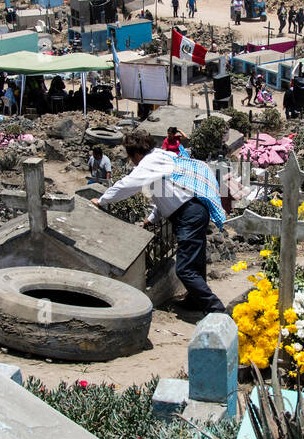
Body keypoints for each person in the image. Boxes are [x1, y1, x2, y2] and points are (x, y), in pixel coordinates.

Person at [94, 130, 226, 315]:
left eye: (131, 156)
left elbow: (128, 184)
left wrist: (102, 200)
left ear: (136, 153)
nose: (132, 161)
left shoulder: (149, 162)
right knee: (195, 263)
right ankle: (195, 301)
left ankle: (217, 311)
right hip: (193, 210)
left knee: (185, 269)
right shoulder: (162, 157)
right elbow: (166, 193)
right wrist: (152, 218)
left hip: (188, 214)